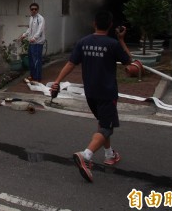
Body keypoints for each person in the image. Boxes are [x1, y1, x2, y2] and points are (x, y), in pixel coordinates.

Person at [50, 10, 132, 183]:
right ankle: (85, 156)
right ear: (110, 25)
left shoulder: (83, 42)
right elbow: (130, 65)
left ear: (94, 23)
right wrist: (122, 39)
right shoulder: (113, 44)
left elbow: (71, 63)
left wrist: (57, 81)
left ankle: (110, 154)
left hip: (90, 93)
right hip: (107, 93)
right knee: (107, 127)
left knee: (103, 123)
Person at [21, 2, 46, 82]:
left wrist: (34, 38)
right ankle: (32, 76)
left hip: (38, 43)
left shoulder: (40, 18)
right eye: (32, 9)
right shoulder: (31, 18)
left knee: (37, 61)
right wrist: (24, 34)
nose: (34, 10)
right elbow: (30, 29)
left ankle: (37, 78)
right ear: (30, 10)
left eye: (35, 9)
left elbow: (40, 30)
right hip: (31, 42)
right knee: (31, 60)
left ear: (38, 9)